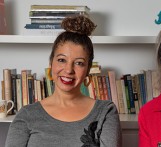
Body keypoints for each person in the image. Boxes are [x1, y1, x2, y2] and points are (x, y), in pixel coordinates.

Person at [5, 15, 121, 147]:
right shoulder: (26, 115)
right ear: (51, 62)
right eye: (61, 60)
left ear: (88, 69)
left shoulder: (105, 111)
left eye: (79, 63)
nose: (68, 70)